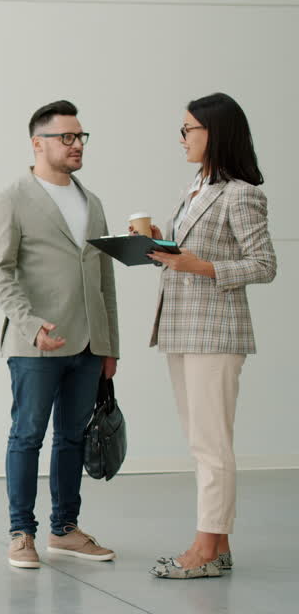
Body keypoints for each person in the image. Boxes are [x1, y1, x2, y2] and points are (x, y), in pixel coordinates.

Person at [142, 93, 276, 579]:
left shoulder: (241, 193)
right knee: (202, 441)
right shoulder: (197, 186)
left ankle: (203, 548)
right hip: (181, 326)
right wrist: (161, 244)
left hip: (215, 331)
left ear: (214, 133)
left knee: (211, 443)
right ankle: (217, 545)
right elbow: (191, 252)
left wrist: (201, 265)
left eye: (188, 130)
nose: (181, 139)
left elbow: (265, 266)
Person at [0, 100, 119, 570]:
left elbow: (104, 279)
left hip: (87, 344)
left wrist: (110, 346)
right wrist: (29, 323)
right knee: (27, 435)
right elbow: (1, 272)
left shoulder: (92, 202)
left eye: (81, 137)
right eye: (67, 137)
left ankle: (65, 529)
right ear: (37, 143)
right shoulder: (12, 198)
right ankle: (21, 533)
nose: (77, 145)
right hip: (33, 344)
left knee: (72, 439)